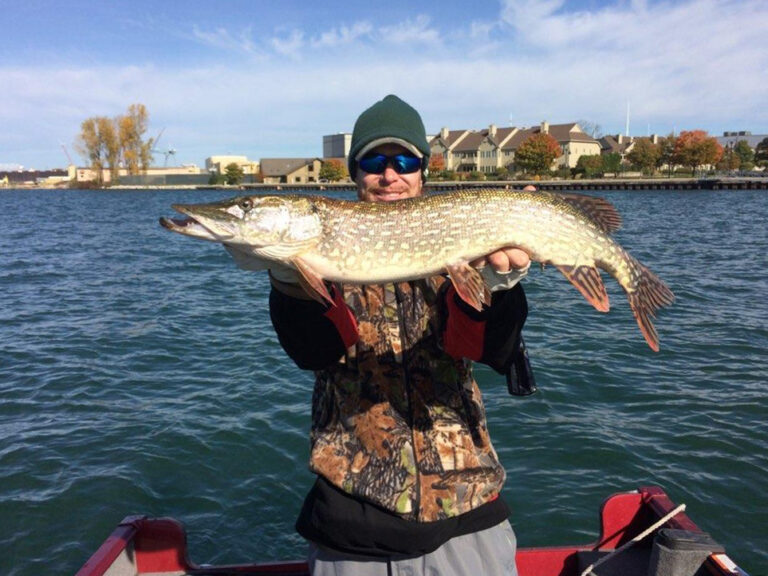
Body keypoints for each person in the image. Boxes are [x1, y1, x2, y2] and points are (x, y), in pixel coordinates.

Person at [267, 95, 535, 575]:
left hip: (467, 510)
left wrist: (499, 288)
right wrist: (290, 286)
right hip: (352, 521)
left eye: (404, 160)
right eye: (373, 161)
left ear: (422, 171)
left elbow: (493, 351)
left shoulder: (459, 237)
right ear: (355, 173)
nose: (389, 175)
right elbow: (313, 351)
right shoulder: (323, 249)